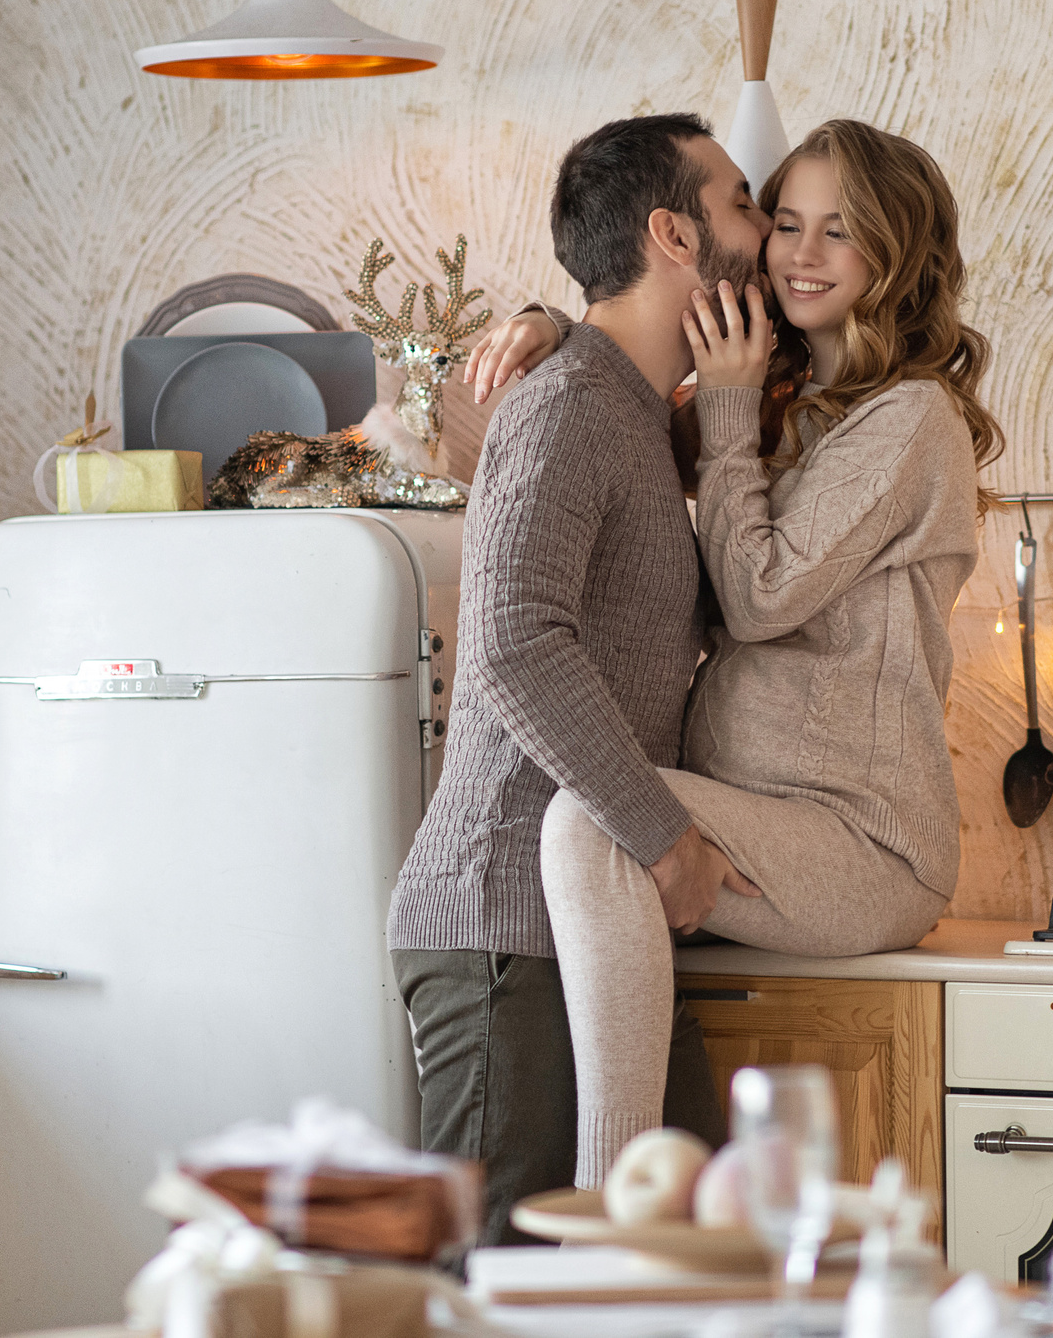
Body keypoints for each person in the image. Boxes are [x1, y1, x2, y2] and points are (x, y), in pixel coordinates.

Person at [469, 119, 1003, 1185]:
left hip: (860, 843)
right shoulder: (772, 402)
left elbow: (755, 600)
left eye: (839, 233)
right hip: (753, 841)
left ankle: (612, 1196)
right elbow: (610, 395)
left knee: (594, 820)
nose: (797, 252)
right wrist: (553, 325)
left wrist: (720, 407)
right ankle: (633, 1205)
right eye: (784, 221)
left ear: (897, 254)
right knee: (608, 825)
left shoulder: (910, 423)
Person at [385, 111, 775, 1245]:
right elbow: (511, 639)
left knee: (679, 1263)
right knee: (505, 1294)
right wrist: (665, 837)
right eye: (743, 202)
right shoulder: (569, 407)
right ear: (674, 234)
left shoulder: (631, 411)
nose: (764, 229)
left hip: (591, 919)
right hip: (506, 927)